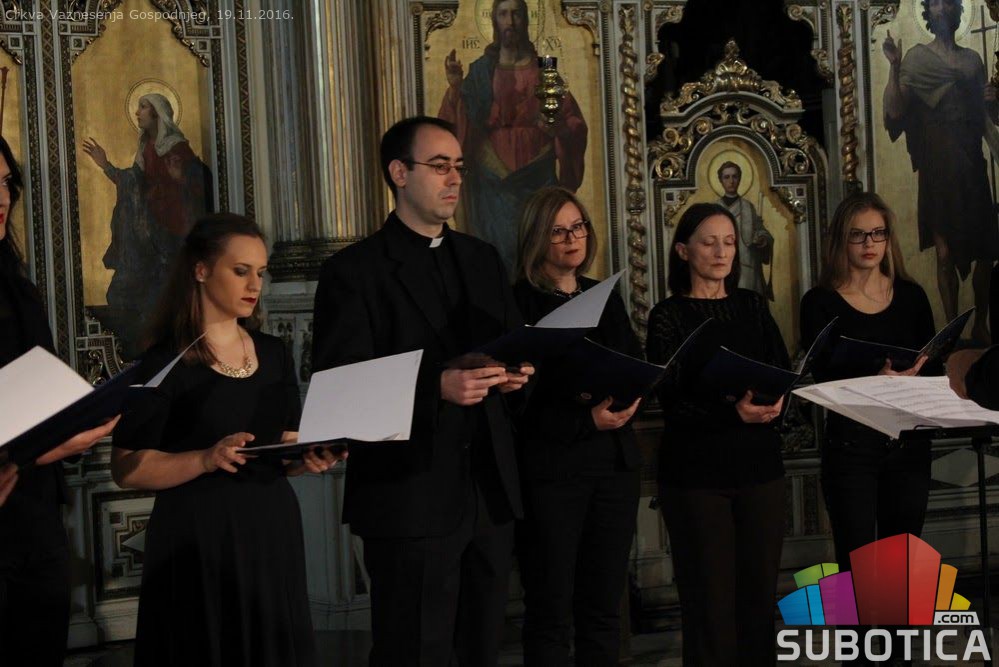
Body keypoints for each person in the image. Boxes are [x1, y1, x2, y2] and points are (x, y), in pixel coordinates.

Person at [312, 116, 533, 665]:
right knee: (412, 651)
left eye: (458, 166)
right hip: (408, 495)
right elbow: (338, 390)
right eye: (439, 166)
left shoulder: (482, 259)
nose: (454, 178)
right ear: (399, 173)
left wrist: (515, 376)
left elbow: (511, 346)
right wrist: (436, 387)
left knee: (481, 649)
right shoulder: (354, 272)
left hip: (488, 492)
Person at [111, 214, 336, 666]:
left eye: (261, 272)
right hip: (199, 536)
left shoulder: (273, 352)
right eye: (240, 271)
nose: (255, 285)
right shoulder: (164, 361)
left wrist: (306, 457)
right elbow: (127, 468)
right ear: (200, 270)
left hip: (270, 529)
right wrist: (205, 458)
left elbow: (282, 446)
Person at [646, 202, 789, 665]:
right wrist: (732, 413)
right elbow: (671, 398)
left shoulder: (752, 305)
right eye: (709, 242)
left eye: (729, 242)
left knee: (758, 602)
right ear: (683, 250)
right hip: (696, 477)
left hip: (760, 470)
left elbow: (782, 368)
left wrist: (779, 399)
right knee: (709, 608)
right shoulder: (667, 315)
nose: (722, 251)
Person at [0, 135, 119, 666]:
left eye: (7, 183)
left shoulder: (16, 285)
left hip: (33, 507)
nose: (2, 198)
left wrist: (74, 422)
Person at [512, 186, 642, 666]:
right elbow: (518, 403)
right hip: (554, 472)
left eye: (579, 227)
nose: (572, 239)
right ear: (536, 237)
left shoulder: (602, 295)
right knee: (550, 609)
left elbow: (632, 360)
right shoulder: (519, 303)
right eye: (558, 231)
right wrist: (584, 418)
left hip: (612, 468)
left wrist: (635, 392)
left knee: (604, 606)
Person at [800, 192, 937, 576]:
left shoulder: (911, 296)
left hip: (909, 445)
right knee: (856, 568)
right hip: (851, 447)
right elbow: (822, 378)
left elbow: (933, 365)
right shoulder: (819, 303)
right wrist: (874, 381)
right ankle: (856, 623)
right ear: (841, 240)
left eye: (878, 233)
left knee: (901, 570)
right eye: (858, 235)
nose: (869, 243)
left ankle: (897, 623)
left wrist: (916, 374)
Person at [438, 0, 587, 272]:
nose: (510, 21)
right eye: (504, 14)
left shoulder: (545, 72)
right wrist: (456, 89)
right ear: (494, 20)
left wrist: (559, 129)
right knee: (496, 260)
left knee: (537, 254)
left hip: (537, 179)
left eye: (516, 14)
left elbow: (573, 123)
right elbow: (455, 128)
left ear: (526, 20)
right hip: (491, 187)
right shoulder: (480, 72)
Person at [883, 0, 998, 343]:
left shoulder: (973, 60)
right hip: (937, 163)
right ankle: (951, 328)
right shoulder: (917, 59)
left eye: (948, 2)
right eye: (935, 3)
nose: (942, 9)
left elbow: (988, 116)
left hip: (971, 160)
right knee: (944, 252)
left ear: (958, 10)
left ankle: (981, 323)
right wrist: (894, 67)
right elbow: (895, 110)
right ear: (927, 13)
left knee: (985, 250)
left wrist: (993, 98)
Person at [83, 93, 212, 357]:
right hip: (151, 232)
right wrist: (105, 165)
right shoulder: (146, 148)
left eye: (142, 107)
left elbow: (201, 185)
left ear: (157, 113)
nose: (137, 112)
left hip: (173, 232)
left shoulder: (177, 147)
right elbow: (133, 183)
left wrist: (180, 178)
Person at [715, 160, 773, 299]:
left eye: (735, 176)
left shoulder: (748, 207)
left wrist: (762, 239)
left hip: (748, 268)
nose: (731, 181)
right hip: (722, 266)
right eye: (726, 177)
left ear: (740, 179)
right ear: (721, 181)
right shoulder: (714, 209)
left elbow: (761, 231)